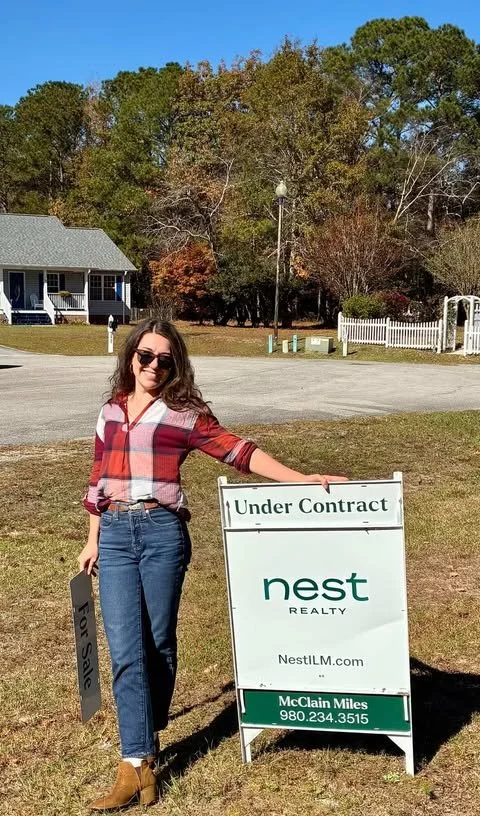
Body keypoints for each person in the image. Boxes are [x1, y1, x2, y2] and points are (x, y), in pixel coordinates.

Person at [79, 319, 347, 811]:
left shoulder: (184, 413)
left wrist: (300, 479)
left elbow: (237, 451)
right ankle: (134, 762)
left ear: (175, 364)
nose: (154, 366)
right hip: (115, 534)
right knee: (124, 649)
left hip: (161, 534)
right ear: (131, 356)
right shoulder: (110, 411)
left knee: (157, 645)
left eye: (165, 360)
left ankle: (145, 737)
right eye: (145, 356)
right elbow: (99, 474)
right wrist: (92, 537)